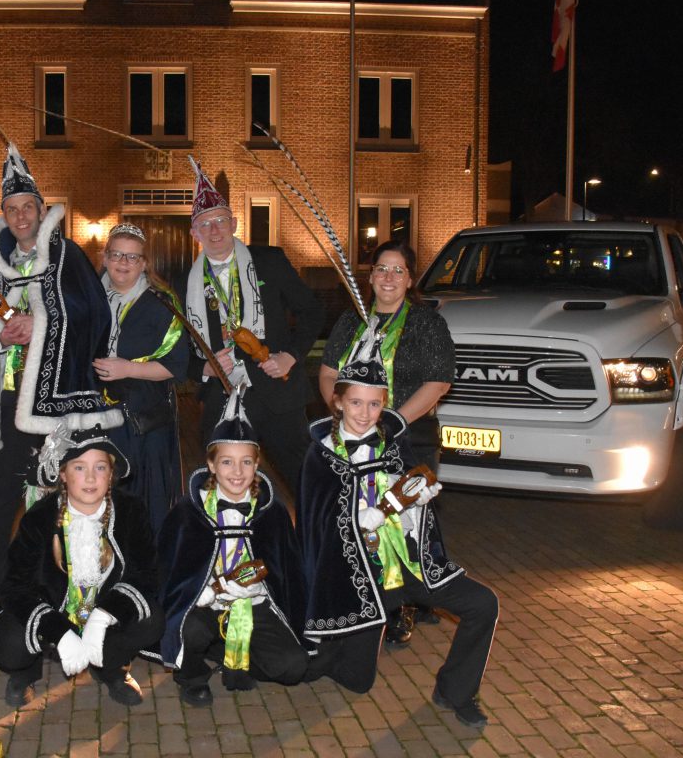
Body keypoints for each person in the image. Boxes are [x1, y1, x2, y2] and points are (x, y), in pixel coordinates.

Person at [0, 143, 122, 604]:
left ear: (42, 210)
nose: (21, 216)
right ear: (4, 216)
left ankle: (59, 588)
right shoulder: (2, 265)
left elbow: (93, 314)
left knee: (55, 496)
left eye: (28, 207)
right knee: (4, 495)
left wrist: (40, 325)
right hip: (10, 400)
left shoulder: (68, 256)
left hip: (55, 403)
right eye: (12, 209)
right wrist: (2, 336)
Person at [299, 340, 497, 727]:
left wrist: (419, 501)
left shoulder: (392, 443)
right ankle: (330, 652)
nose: (365, 413)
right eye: (356, 403)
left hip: (409, 565)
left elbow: (408, 485)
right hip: (362, 578)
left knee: (483, 603)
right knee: (357, 680)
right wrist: (359, 519)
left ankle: (456, 691)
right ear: (337, 402)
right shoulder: (321, 455)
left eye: (374, 404)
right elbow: (315, 523)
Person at [319, 239, 455, 645]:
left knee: (403, 525)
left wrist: (392, 422)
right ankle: (367, 597)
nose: (389, 277)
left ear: (410, 279)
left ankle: (403, 605)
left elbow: (438, 381)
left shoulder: (426, 323)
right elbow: (328, 373)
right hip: (355, 439)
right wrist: (343, 414)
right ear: (371, 275)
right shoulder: (352, 321)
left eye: (398, 270)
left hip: (408, 437)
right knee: (362, 521)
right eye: (381, 268)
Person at [0, 420, 163, 708]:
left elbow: (145, 574)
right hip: (54, 613)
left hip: (102, 615)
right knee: (10, 644)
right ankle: (26, 671)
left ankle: (111, 667)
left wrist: (103, 617)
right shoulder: (40, 517)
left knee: (151, 620)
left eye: (100, 467)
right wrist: (58, 631)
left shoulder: (131, 510)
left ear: (111, 473)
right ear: (63, 474)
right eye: (79, 467)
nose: (91, 478)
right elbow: (15, 586)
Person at [180, 158, 323, 502]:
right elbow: (177, 349)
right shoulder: (184, 282)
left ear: (234, 223)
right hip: (221, 397)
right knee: (222, 489)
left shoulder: (269, 261)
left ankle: (312, 536)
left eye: (220, 221)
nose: (215, 231)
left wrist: (290, 356)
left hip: (278, 394)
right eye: (204, 224)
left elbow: (313, 311)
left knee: (305, 484)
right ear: (194, 233)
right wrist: (204, 367)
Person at [155, 387, 308, 707]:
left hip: (252, 604)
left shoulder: (272, 512)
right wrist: (204, 591)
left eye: (246, 462)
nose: (237, 473)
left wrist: (259, 588)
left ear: (257, 464)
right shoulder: (189, 511)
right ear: (211, 465)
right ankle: (192, 676)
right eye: (227, 462)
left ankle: (232, 653)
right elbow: (170, 571)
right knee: (191, 630)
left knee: (292, 667)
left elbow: (288, 571)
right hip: (205, 605)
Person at [92, 223, 189, 534]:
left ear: (145, 263)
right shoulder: (89, 299)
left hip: (143, 423)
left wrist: (128, 368)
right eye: (117, 254)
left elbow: (177, 365)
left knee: (145, 507)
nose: (123, 262)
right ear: (105, 257)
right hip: (96, 418)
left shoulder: (161, 303)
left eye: (132, 257)